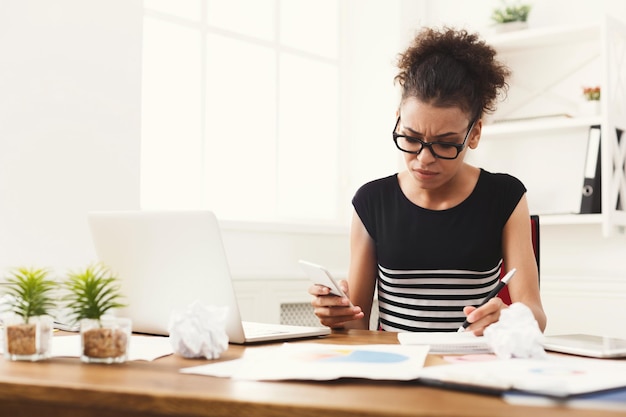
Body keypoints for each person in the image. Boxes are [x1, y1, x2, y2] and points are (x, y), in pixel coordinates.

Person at [309, 27, 547, 335]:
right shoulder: (371, 201)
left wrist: (514, 317)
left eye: (445, 143)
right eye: (410, 138)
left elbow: (536, 314)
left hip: (471, 367)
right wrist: (336, 316)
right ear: (398, 119)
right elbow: (357, 324)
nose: (423, 159)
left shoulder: (505, 196)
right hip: (395, 370)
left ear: (474, 134)